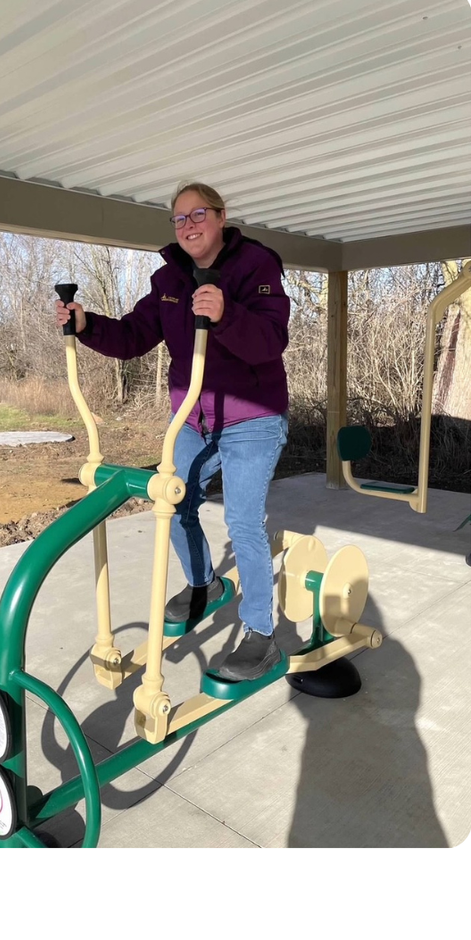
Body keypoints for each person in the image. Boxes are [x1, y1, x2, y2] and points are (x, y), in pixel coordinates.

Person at [56, 182, 292, 682]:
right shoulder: (169, 278)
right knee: (174, 502)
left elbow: (270, 341)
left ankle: (260, 635)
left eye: (198, 214)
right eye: (179, 218)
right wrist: (86, 323)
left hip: (252, 418)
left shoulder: (256, 266)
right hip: (193, 417)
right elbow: (133, 336)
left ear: (222, 217)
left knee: (244, 524)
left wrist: (227, 314)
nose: (188, 225)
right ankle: (205, 584)